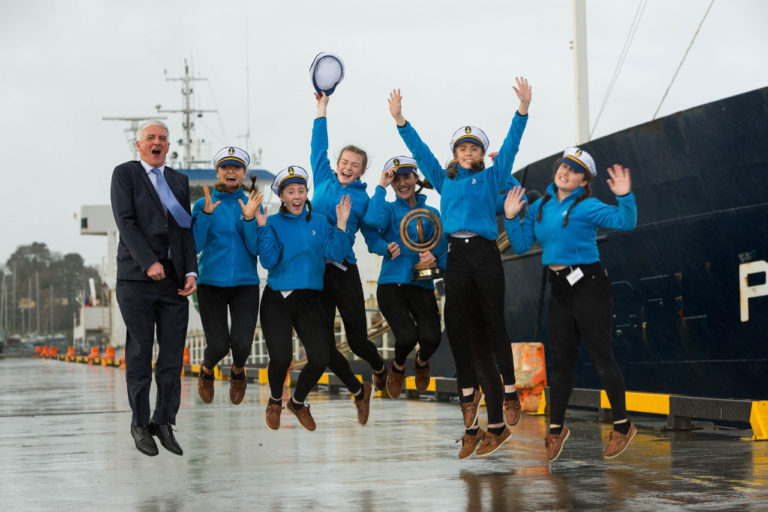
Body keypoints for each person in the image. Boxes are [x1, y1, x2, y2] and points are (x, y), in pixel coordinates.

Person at [388, 79, 531, 457]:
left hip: (485, 254)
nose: (468, 152)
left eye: (474, 148)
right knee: (459, 330)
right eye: (462, 147)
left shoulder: (491, 179)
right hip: (458, 259)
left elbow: (513, 148)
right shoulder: (442, 179)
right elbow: (419, 152)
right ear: (454, 153)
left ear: (481, 155)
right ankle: (469, 401)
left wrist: (522, 112)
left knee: (494, 325)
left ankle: (511, 391)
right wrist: (401, 120)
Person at [503, 147, 637, 461]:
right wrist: (511, 217)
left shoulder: (588, 206)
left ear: (582, 181)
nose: (565, 171)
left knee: (601, 356)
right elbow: (521, 244)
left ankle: (622, 424)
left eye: (574, 170)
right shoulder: (539, 207)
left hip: (589, 285)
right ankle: (556, 428)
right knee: (561, 362)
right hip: (559, 287)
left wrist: (625, 196)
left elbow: (625, 221)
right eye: (563, 165)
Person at [256, 166, 372, 431]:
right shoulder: (272, 223)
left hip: (309, 300)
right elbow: (269, 260)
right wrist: (262, 228)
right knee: (281, 358)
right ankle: (275, 400)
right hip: (278, 299)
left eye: (300, 191)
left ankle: (297, 403)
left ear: (306, 193)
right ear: (282, 197)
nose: (296, 196)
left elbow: (336, 252)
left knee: (320, 357)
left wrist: (342, 224)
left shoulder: (319, 221)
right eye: (290, 192)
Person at [110, 120, 198, 457]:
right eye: (151, 138)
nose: (157, 142)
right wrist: (148, 261)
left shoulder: (178, 180)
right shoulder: (125, 174)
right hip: (136, 280)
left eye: (162, 138)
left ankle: (164, 421)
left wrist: (191, 270)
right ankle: (140, 422)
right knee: (140, 352)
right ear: (139, 145)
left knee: (172, 357)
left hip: (174, 283)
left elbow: (185, 230)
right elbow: (125, 220)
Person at [311, 92, 389, 392]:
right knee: (326, 345)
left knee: (357, 339)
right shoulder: (323, 178)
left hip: (344, 269)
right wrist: (322, 108)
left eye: (354, 165)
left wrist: (386, 248)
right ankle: (359, 390)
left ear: (362, 171)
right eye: (344, 161)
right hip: (316, 271)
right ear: (337, 163)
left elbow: (372, 234)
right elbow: (318, 144)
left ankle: (379, 367)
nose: (347, 167)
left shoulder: (363, 198)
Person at [363, 156, 446, 399]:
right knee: (407, 336)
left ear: (415, 178)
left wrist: (435, 256)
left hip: (421, 283)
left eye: (406, 177)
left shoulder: (432, 212)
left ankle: (421, 363)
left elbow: (442, 247)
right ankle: (398, 367)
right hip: (391, 285)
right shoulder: (387, 209)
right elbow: (370, 222)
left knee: (431, 338)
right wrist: (381, 186)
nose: (402, 183)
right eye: (396, 179)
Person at [191, 146, 263, 405]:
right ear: (218, 172)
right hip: (211, 285)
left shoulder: (254, 204)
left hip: (245, 284)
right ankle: (207, 368)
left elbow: (255, 248)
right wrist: (207, 216)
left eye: (236, 167)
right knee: (219, 345)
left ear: (244, 173)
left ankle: (237, 371)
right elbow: (195, 246)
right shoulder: (202, 204)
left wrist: (248, 219)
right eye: (225, 167)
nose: (230, 171)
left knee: (242, 345)